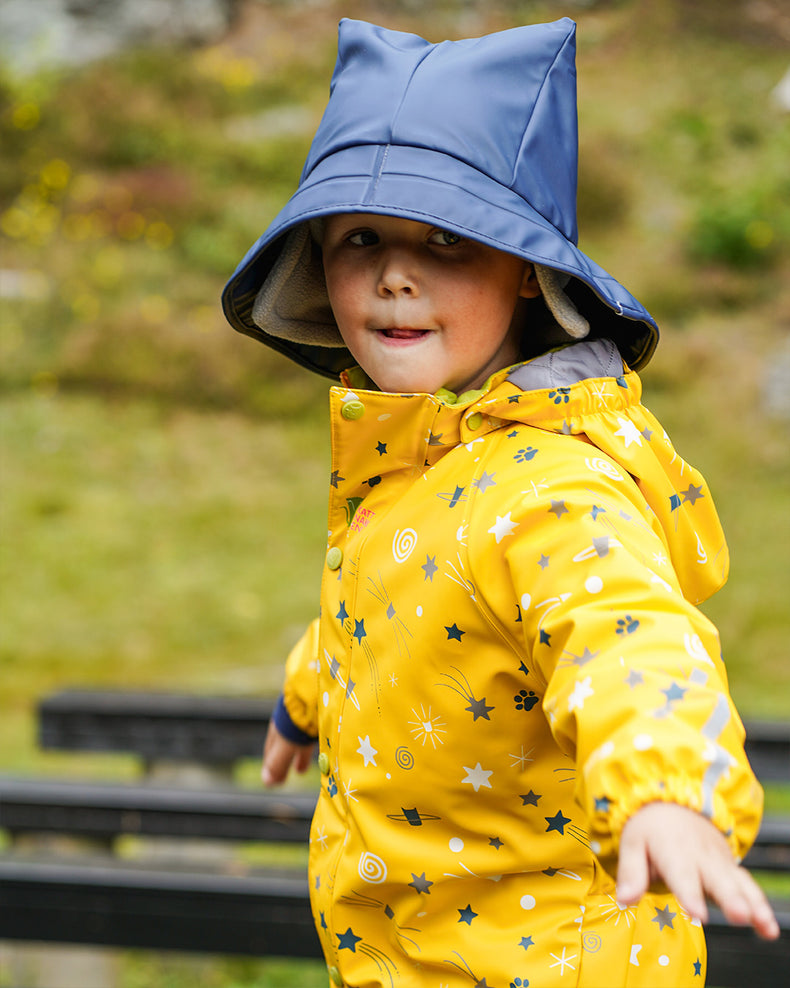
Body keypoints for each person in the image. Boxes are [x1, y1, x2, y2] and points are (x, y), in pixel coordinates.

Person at [222, 17, 779, 987]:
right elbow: (396, 608)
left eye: (446, 240)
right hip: (418, 949)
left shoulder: (549, 487)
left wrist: (664, 793)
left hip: (550, 961)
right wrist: (308, 694)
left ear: (526, 268)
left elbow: (624, 635)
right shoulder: (416, 452)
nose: (396, 274)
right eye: (362, 238)